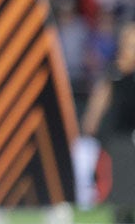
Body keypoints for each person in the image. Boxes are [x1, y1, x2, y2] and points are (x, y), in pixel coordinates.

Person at [82, 21, 135, 224]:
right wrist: (91, 122)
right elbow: (100, 99)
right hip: (118, 138)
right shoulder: (115, 73)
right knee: (121, 189)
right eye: (128, 44)